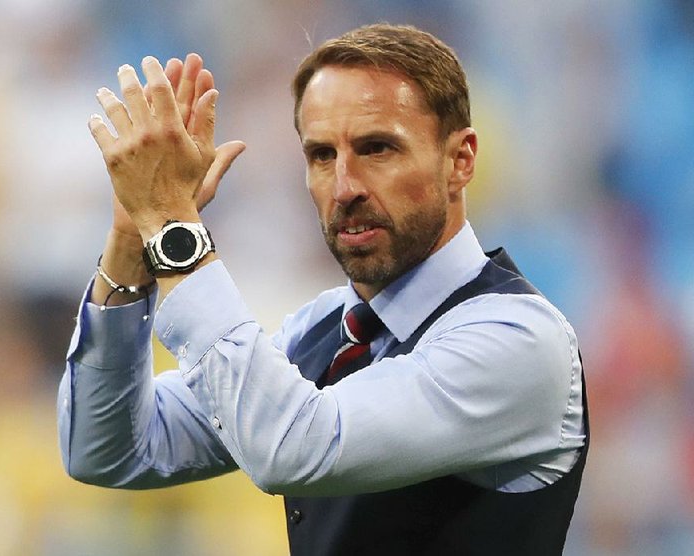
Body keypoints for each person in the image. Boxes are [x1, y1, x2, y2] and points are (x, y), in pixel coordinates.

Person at [58, 23, 588, 555]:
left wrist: (174, 227)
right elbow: (107, 451)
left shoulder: (517, 340)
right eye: (322, 155)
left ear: (460, 160)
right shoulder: (321, 329)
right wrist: (134, 236)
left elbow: (291, 448)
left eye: (377, 148)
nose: (345, 187)